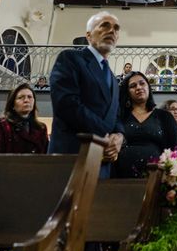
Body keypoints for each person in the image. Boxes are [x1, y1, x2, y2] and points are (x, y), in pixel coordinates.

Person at [49, 12, 124, 178]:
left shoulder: (112, 77)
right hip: (72, 156)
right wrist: (105, 136)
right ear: (88, 35)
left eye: (116, 28)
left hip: (102, 163)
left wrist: (118, 137)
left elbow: (116, 115)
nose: (112, 31)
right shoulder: (71, 59)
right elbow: (67, 104)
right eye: (105, 25)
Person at [114, 72, 177, 178]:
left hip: (156, 178)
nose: (139, 87)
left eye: (142, 83)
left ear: (148, 87)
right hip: (121, 178)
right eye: (133, 86)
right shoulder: (120, 117)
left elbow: (176, 151)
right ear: (127, 92)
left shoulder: (164, 116)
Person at [0, 83, 48, 154]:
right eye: (21, 97)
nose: (26, 100)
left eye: (30, 97)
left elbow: (45, 156)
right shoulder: (1, 124)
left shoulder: (41, 128)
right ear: (12, 104)